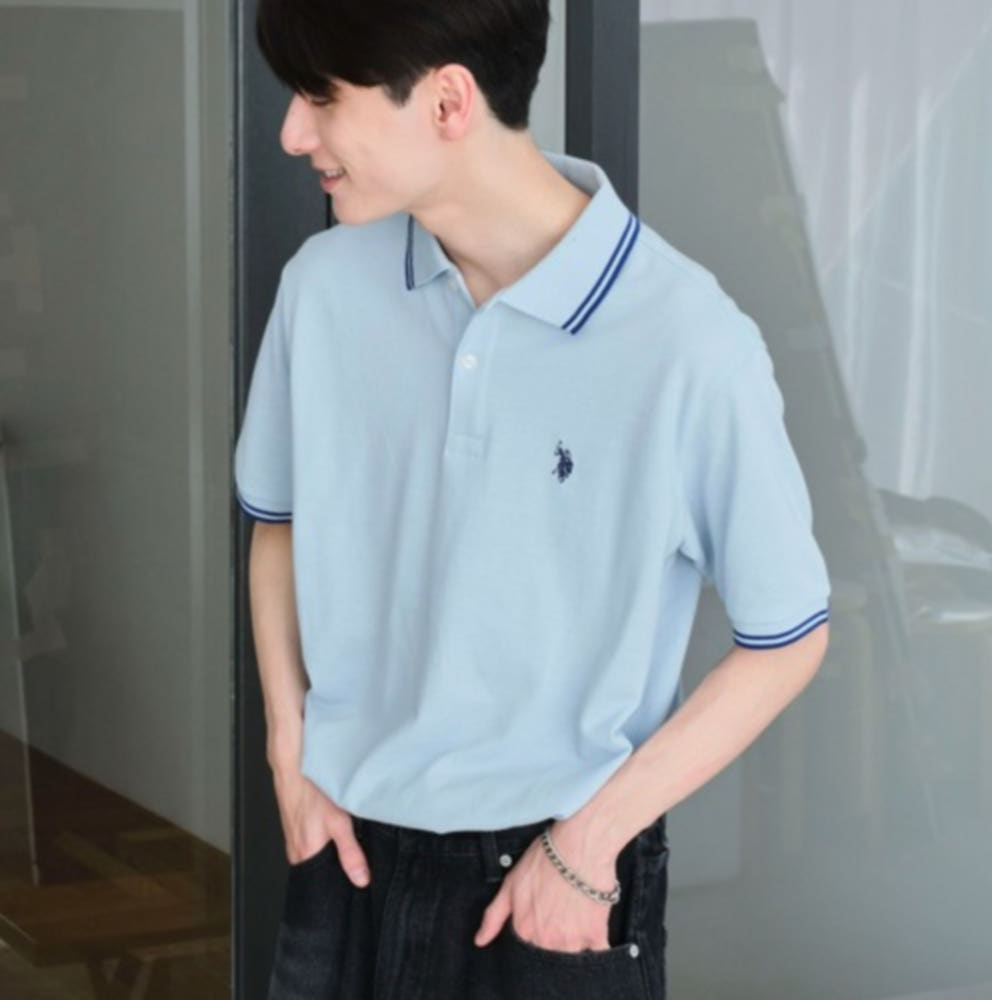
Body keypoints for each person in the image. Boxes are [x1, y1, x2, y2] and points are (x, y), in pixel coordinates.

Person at [234, 1, 832, 997]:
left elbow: (788, 637)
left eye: (321, 99)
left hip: (547, 890)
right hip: (343, 858)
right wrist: (287, 755)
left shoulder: (686, 341)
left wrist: (588, 845)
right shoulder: (322, 288)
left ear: (448, 102)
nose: (294, 134)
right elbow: (279, 523)